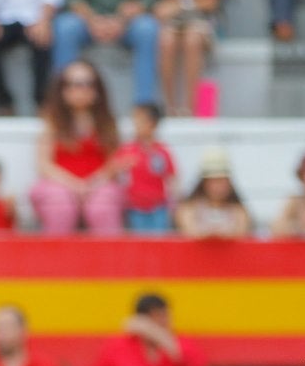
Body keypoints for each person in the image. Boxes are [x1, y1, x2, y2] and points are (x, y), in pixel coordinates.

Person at [28, 59, 123, 234]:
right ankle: (55, 258)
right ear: (62, 90)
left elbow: (115, 163)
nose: (81, 90)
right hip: (59, 183)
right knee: (59, 205)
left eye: (87, 84)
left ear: (97, 89)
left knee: (102, 206)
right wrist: (74, 185)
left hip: (99, 183)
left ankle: (110, 260)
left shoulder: (107, 124)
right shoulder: (52, 122)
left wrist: (92, 184)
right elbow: (44, 165)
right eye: (74, 84)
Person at [154, 0, 228, 117]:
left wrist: (179, 3)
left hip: (203, 18)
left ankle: (190, 108)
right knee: (166, 39)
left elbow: (211, 0)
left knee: (192, 38)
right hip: (168, 21)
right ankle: (169, 108)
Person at [84, 291, 206, 366]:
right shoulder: (118, 347)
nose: (160, 322)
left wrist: (166, 341)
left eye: (163, 316)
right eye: (154, 317)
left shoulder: (179, 343)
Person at [114, 102, 176, 232]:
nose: (136, 125)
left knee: (159, 240)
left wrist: (173, 204)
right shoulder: (127, 149)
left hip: (158, 207)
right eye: (135, 120)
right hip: (135, 206)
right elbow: (114, 171)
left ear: (153, 124)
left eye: (140, 121)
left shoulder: (162, 151)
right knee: (138, 240)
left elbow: (172, 178)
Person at [174, 145, 252, 238]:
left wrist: (223, 236)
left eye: (221, 180)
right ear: (203, 183)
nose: (218, 186)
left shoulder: (239, 211)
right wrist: (209, 235)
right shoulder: (189, 209)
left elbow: (241, 231)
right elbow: (188, 229)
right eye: (213, 181)